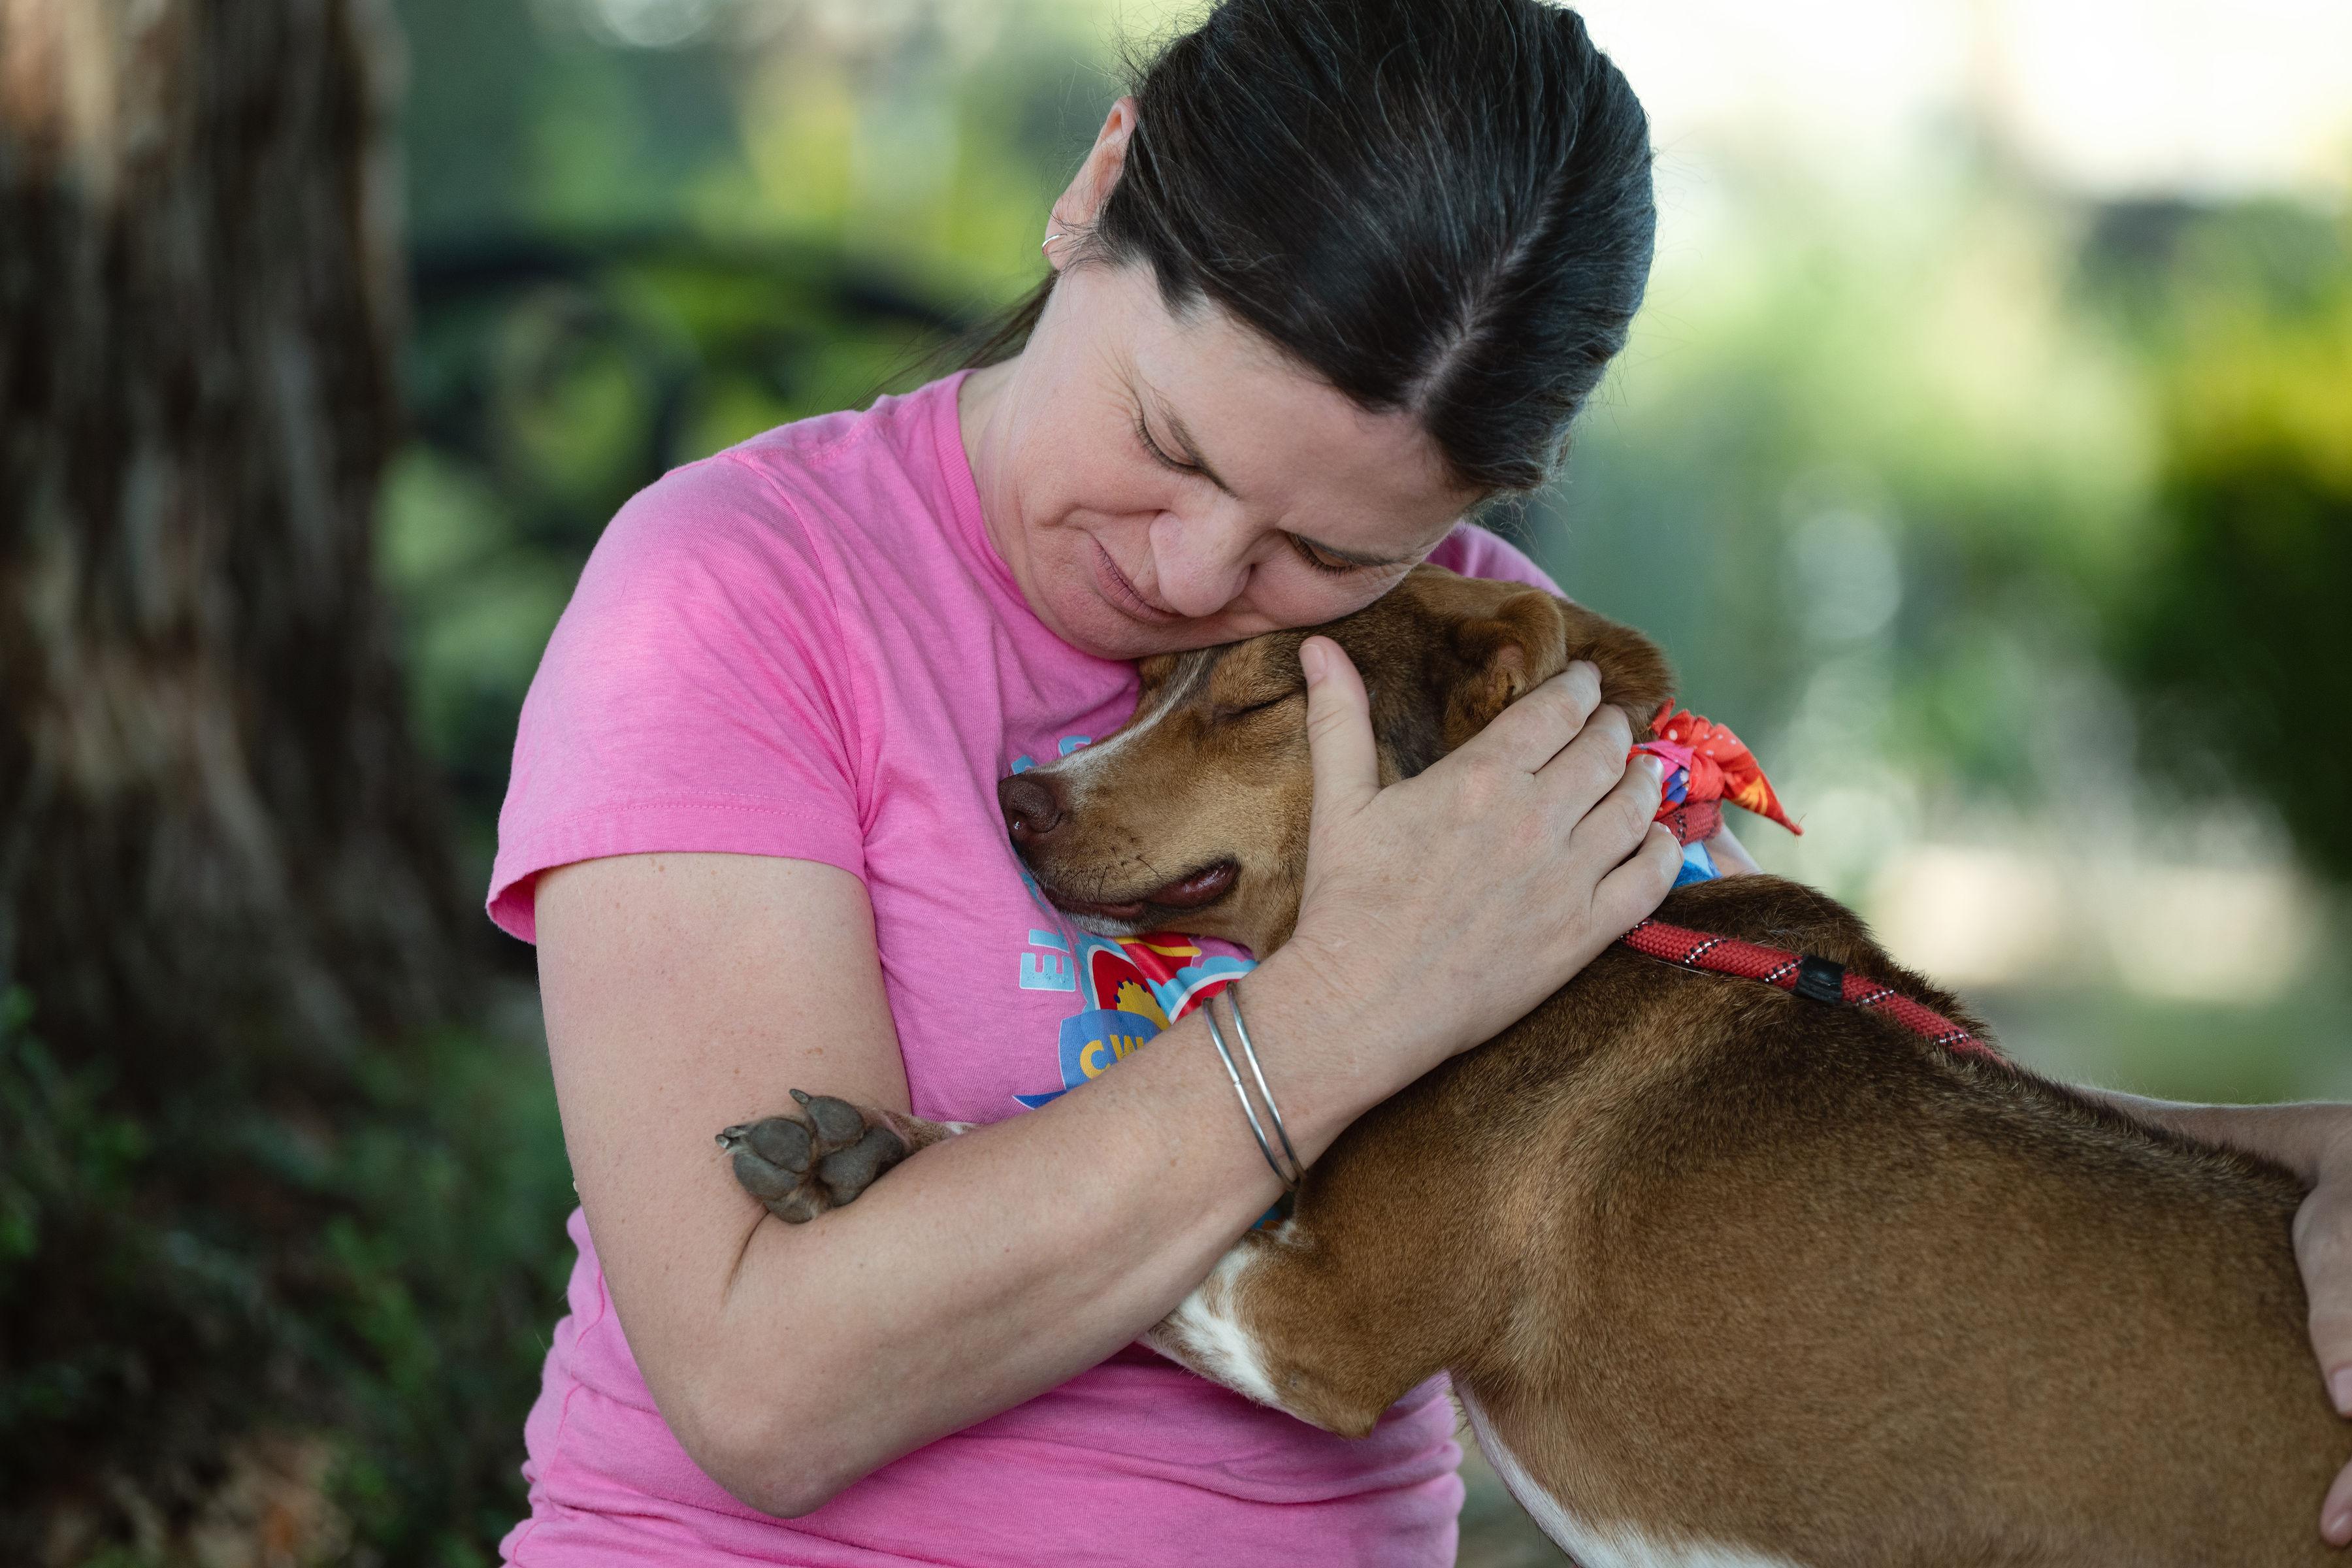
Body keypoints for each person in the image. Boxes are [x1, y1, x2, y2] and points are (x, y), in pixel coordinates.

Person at [487, 1, 2352, 1562]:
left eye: (1328, 551)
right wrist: (1343, 1022)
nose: (1197, 573)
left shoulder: (1471, 663)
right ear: (1097, 185)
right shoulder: (742, 596)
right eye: (1168, 443)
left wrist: (2292, 1167)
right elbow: (767, 1392)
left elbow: (1783, 1107)